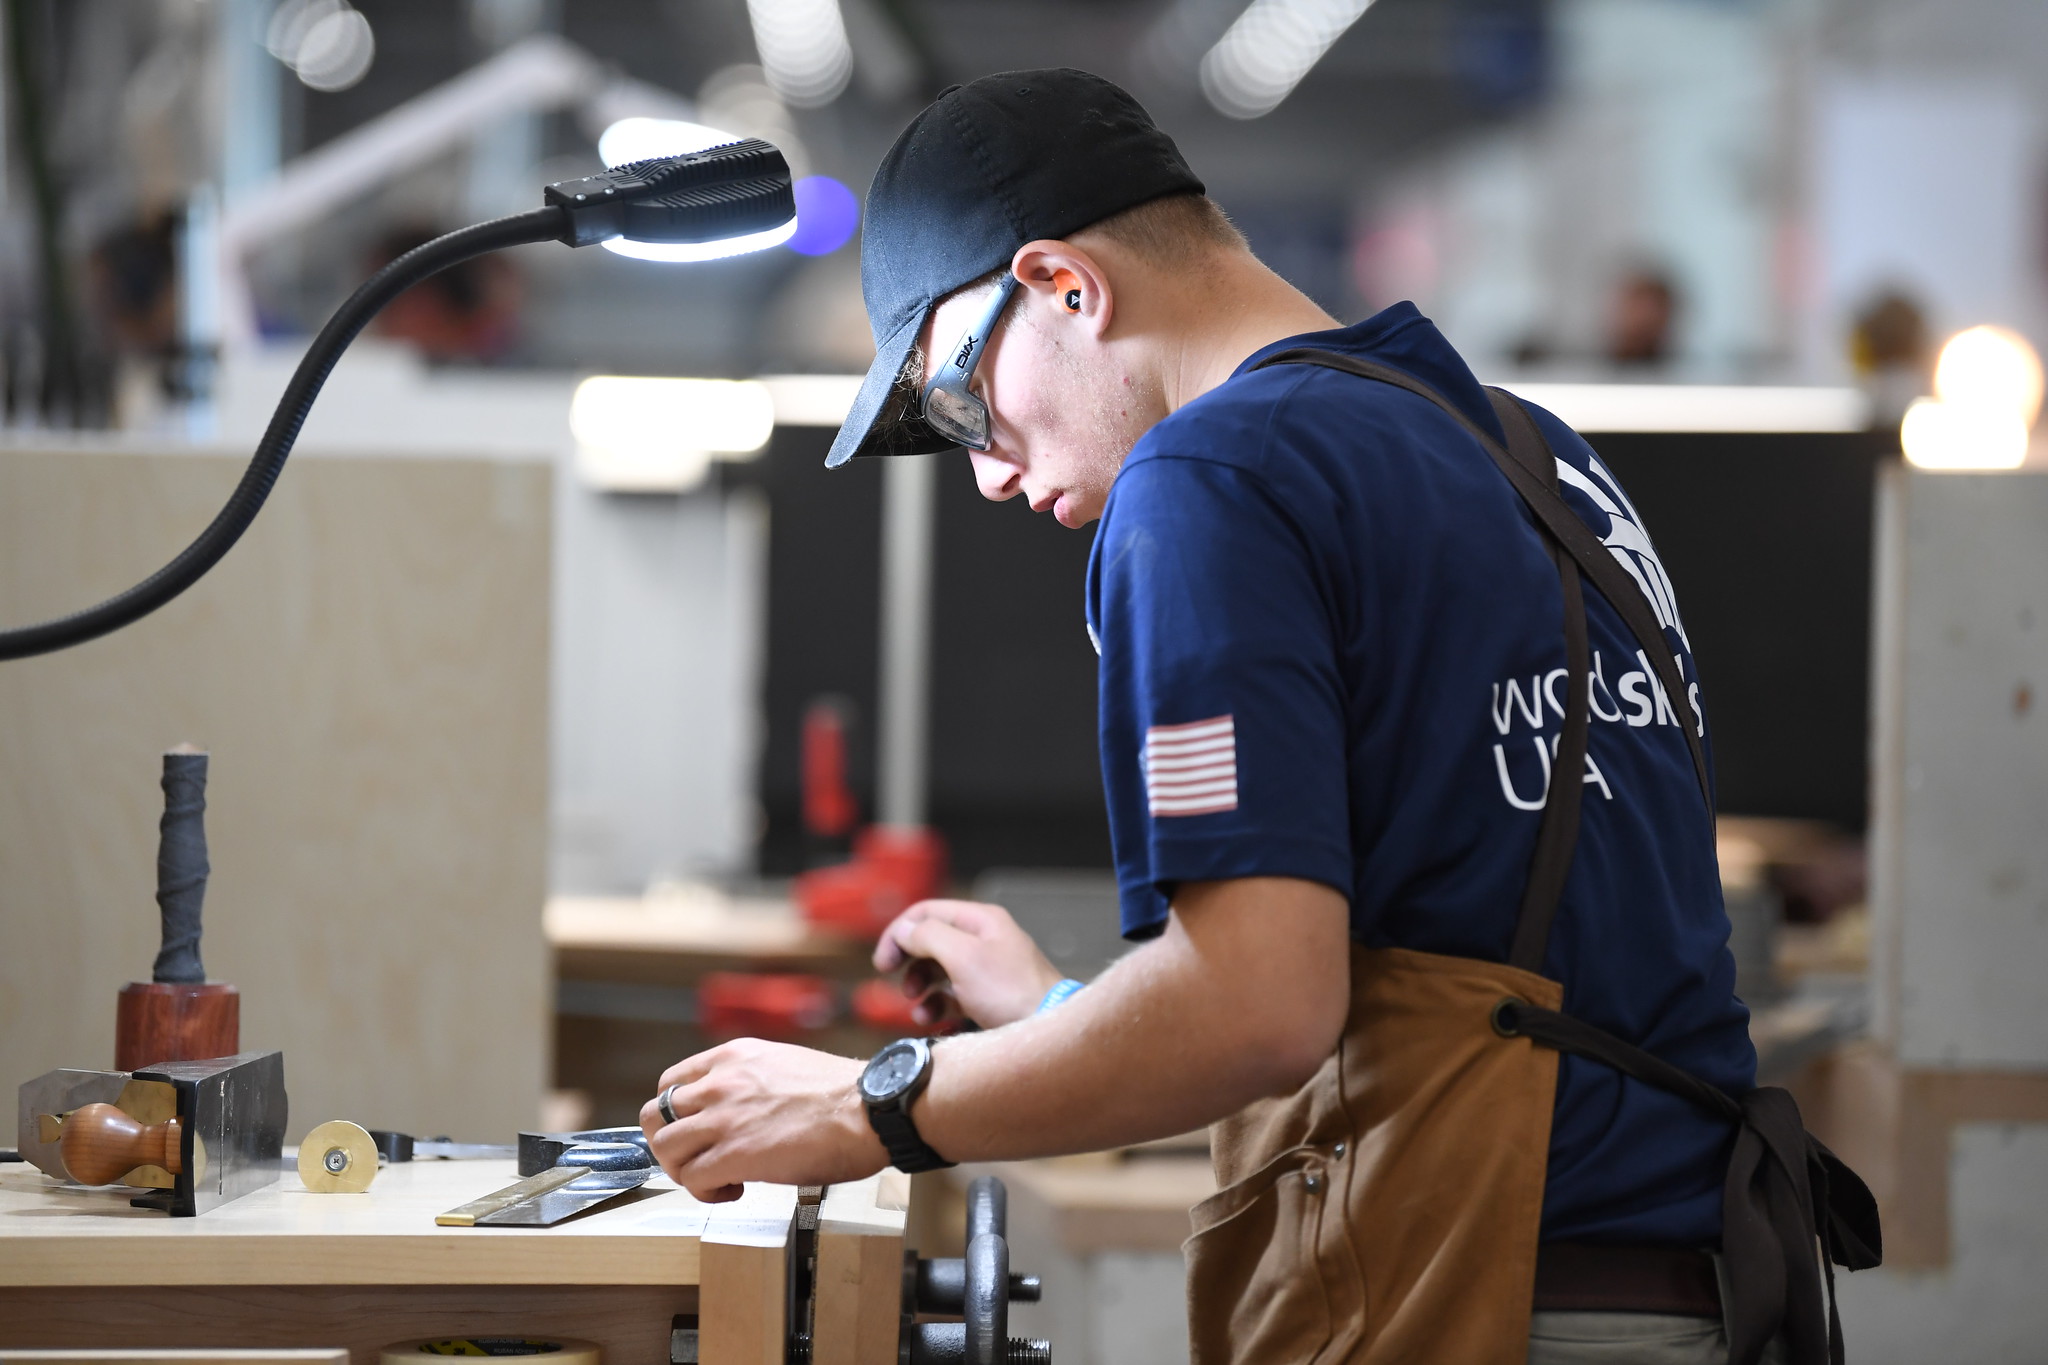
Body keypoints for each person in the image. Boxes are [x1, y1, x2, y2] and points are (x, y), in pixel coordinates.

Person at [639, 70, 1876, 1365]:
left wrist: (862, 1104)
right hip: (1713, 1295)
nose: (991, 471)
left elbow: (1256, 1010)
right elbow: (1433, 975)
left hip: (1492, 1299)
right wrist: (1066, 1008)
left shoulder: (1212, 477)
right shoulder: (1530, 449)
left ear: (1067, 283)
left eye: (958, 400)